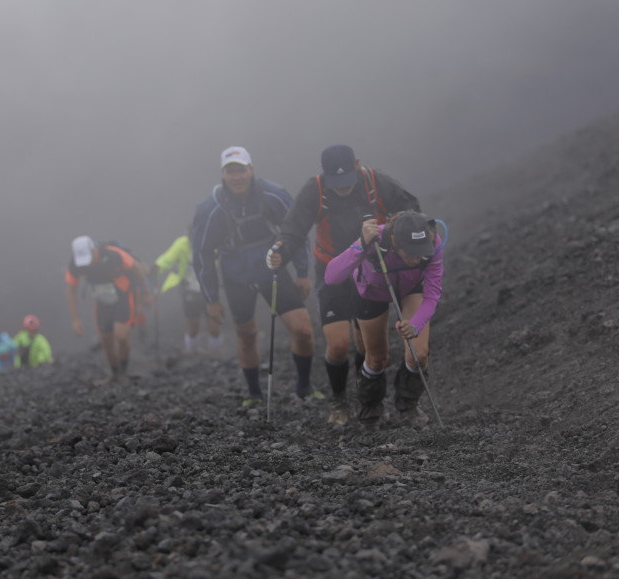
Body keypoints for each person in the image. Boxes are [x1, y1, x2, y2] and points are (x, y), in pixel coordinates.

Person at [267, 144, 420, 422]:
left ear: (358, 164)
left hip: (371, 269)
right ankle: (339, 403)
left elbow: (411, 212)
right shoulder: (315, 189)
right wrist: (280, 252)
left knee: (366, 346)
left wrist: (400, 241)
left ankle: (367, 402)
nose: (341, 188)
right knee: (337, 345)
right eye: (335, 183)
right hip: (331, 269)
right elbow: (293, 230)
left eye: (346, 180)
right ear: (323, 174)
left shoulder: (377, 183)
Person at [192, 146, 321, 405]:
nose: (237, 176)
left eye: (241, 170)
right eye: (231, 171)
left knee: (303, 329)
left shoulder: (272, 194)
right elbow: (202, 254)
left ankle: (304, 387)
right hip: (235, 275)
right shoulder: (211, 208)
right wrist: (211, 299)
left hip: (271, 268)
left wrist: (303, 272)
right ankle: (254, 394)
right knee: (247, 334)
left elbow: (296, 231)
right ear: (223, 174)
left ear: (251, 169)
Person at [324, 211, 444, 424]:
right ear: (396, 243)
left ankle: (408, 405)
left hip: (410, 287)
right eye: (411, 253)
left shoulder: (432, 242)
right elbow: (332, 277)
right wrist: (361, 243)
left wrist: (415, 325)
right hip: (371, 292)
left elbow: (433, 294)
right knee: (378, 357)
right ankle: (370, 407)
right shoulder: (374, 239)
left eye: (421, 252)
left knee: (420, 354)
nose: (417, 258)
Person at [66, 235, 149, 385]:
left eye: (89, 258)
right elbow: (71, 289)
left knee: (121, 335)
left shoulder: (113, 255)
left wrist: (145, 293)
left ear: (95, 250)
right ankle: (114, 373)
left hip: (123, 297)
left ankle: (123, 372)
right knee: (106, 339)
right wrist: (75, 319)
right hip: (102, 302)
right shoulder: (76, 265)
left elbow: (136, 268)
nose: (87, 264)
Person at [150, 228, 222, 354]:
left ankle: (214, 356)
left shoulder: (213, 242)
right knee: (193, 327)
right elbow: (169, 257)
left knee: (214, 325)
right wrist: (158, 266)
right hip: (190, 290)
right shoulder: (182, 244)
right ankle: (192, 354)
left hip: (210, 291)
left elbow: (223, 259)